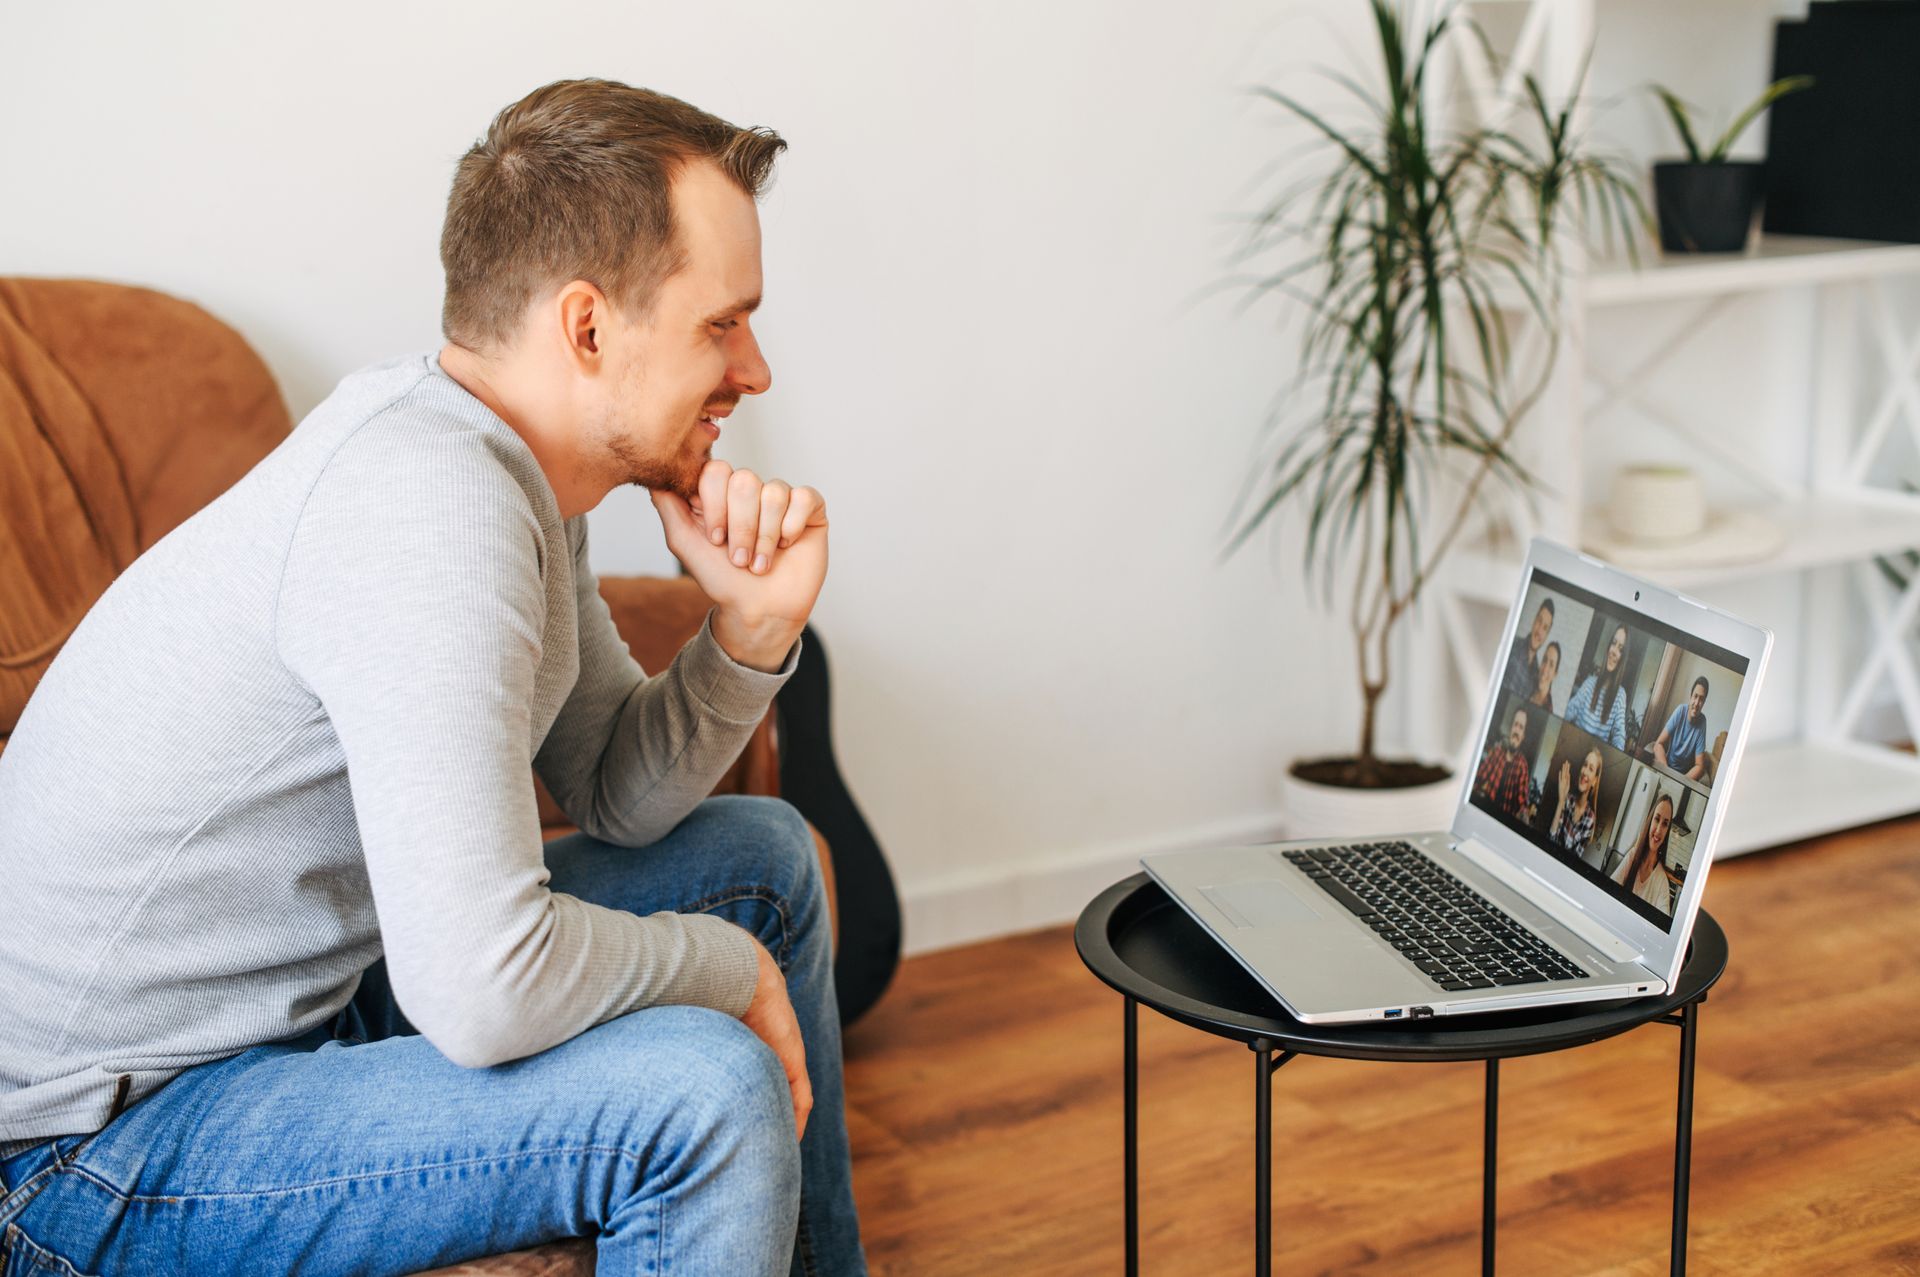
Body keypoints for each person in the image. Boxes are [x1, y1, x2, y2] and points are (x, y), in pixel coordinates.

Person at [0, 81, 865, 1277]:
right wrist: (730, 969)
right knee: (702, 1090)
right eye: (724, 323)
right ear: (587, 328)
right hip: (90, 1149)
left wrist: (747, 632)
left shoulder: (505, 469)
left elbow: (615, 789)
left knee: (763, 860)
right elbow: (483, 986)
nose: (755, 369)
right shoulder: (432, 508)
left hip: (289, 1017)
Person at [1566, 623, 1631, 749]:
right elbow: (1571, 709)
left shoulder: (1620, 695)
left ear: (1623, 658)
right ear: (1608, 647)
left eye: (1621, 649)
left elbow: (1619, 734)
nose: (1614, 651)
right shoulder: (1590, 682)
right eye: (1613, 643)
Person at [1610, 793, 1677, 913]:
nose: (1658, 830)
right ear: (1650, 821)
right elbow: (1610, 889)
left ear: (1667, 831)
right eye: (1657, 819)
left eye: (1665, 824)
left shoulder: (1662, 882)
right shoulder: (1632, 856)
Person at [1473, 706, 1534, 823]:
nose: (1516, 730)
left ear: (1523, 736)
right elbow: (1477, 779)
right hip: (1481, 815)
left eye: (1521, 727)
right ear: (1511, 728)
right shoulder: (1496, 752)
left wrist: (1523, 815)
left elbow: (1522, 803)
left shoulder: (1522, 765)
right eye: (1515, 725)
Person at [1651, 676, 1712, 781]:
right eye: (1695, 696)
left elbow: (1699, 765)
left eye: (1701, 699)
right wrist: (1666, 773)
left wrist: (1680, 781)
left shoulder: (1702, 721)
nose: (1697, 703)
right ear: (1690, 697)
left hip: (1684, 775)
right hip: (1668, 767)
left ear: (1704, 702)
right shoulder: (1680, 711)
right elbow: (1658, 744)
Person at [1548, 747, 1604, 863]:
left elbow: (1573, 860)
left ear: (1594, 781)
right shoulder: (1567, 800)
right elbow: (1551, 839)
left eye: (1591, 768)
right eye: (1584, 765)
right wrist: (1561, 801)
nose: (1584, 771)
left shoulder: (1590, 819)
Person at [1502, 598, 1555, 703]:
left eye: (1545, 628)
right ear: (1534, 620)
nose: (1539, 631)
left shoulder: (1537, 675)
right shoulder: (1512, 645)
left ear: (1547, 635)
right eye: (1539, 621)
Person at [1527, 640, 1562, 717]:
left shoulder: (1548, 710)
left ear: (1555, 674)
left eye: (1551, 665)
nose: (1545, 669)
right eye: (1545, 660)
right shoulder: (1527, 685)